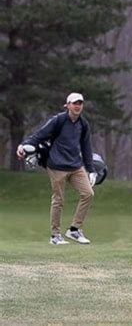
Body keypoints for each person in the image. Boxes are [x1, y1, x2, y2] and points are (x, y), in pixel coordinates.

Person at [16, 92, 96, 245]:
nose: (78, 106)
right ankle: (55, 236)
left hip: (76, 166)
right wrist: (23, 145)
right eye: (74, 103)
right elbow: (39, 135)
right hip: (57, 165)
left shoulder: (83, 124)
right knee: (58, 200)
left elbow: (86, 147)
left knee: (88, 193)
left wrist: (91, 169)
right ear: (67, 106)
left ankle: (74, 230)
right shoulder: (58, 120)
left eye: (80, 103)